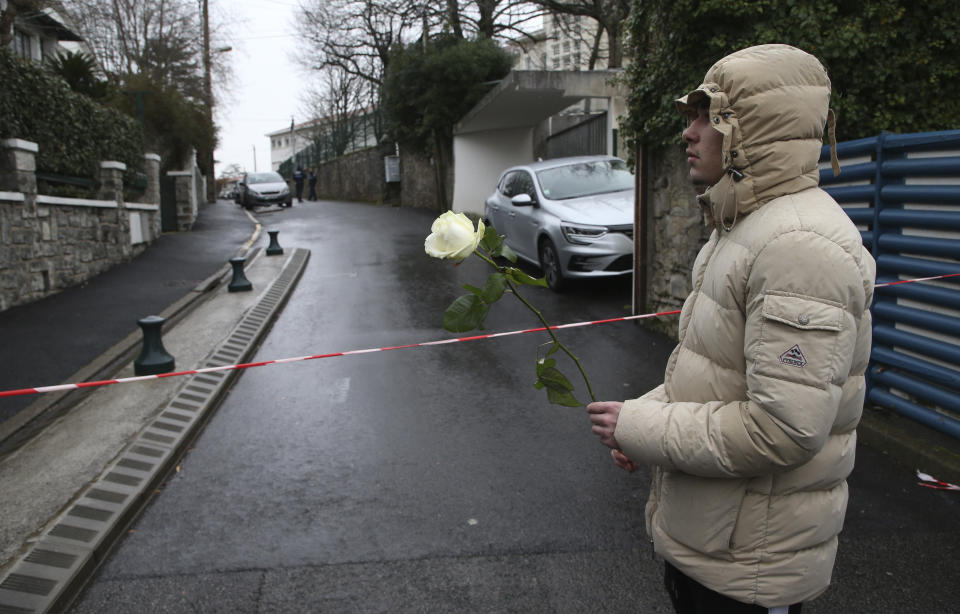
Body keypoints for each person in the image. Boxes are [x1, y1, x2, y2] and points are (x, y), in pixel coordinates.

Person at [587, 44, 876, 614]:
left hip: (750, 568)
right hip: (719, 550)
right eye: (692, 117)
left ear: (757, 131)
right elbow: (717, 376)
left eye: (708, 117)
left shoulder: (798, 248)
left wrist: (642, 427)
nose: (689, 134)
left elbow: (783, 429)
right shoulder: (743, 227)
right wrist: (638, 417)